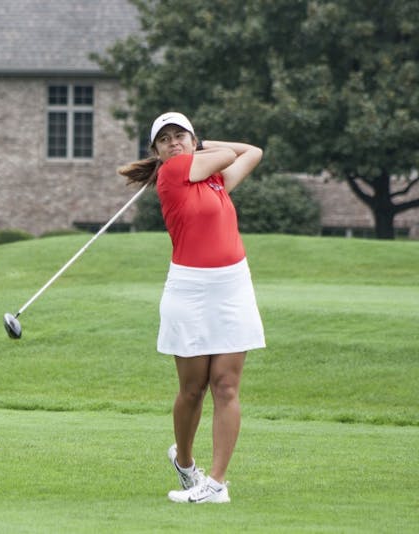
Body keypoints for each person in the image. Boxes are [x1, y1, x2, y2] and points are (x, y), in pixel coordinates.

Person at [118, 112, 265, 504]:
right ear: (157, 152)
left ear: (194, 138)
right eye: (163, 140)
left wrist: (200, 143)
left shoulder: (214, 180)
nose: (173, 143)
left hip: (233, 286)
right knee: (192, 389)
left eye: (179, 135)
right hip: (190, 289)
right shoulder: (171, 174)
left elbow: (253, 152)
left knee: (226, 386)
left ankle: (215, 484)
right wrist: (194, 148)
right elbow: (233, 153)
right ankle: (184, 462)